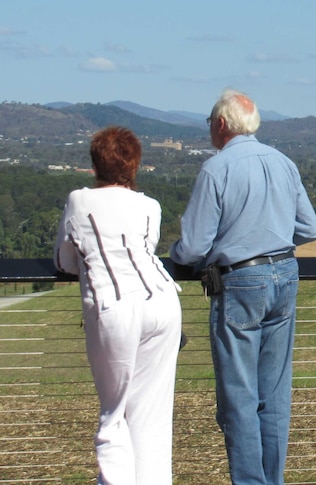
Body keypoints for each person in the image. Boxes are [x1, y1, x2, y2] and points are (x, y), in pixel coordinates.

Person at [170, 89, 316, 484]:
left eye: (209, 123)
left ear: (220, 124)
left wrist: (177, 254)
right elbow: (310, 229)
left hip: (239, 282)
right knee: (273, 396)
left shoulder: (216, 169)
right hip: (285, 274)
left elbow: (193, 247)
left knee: (238, 398)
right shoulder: (284, 162)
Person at [54, 126, 183, 484]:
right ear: (135, 165)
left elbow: (64, 260)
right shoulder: (149, 206)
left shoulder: (79, 200)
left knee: (114, 414)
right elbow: (147, 247)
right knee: (152, 415)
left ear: (95, 165)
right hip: (162, 302)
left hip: (114, 307)